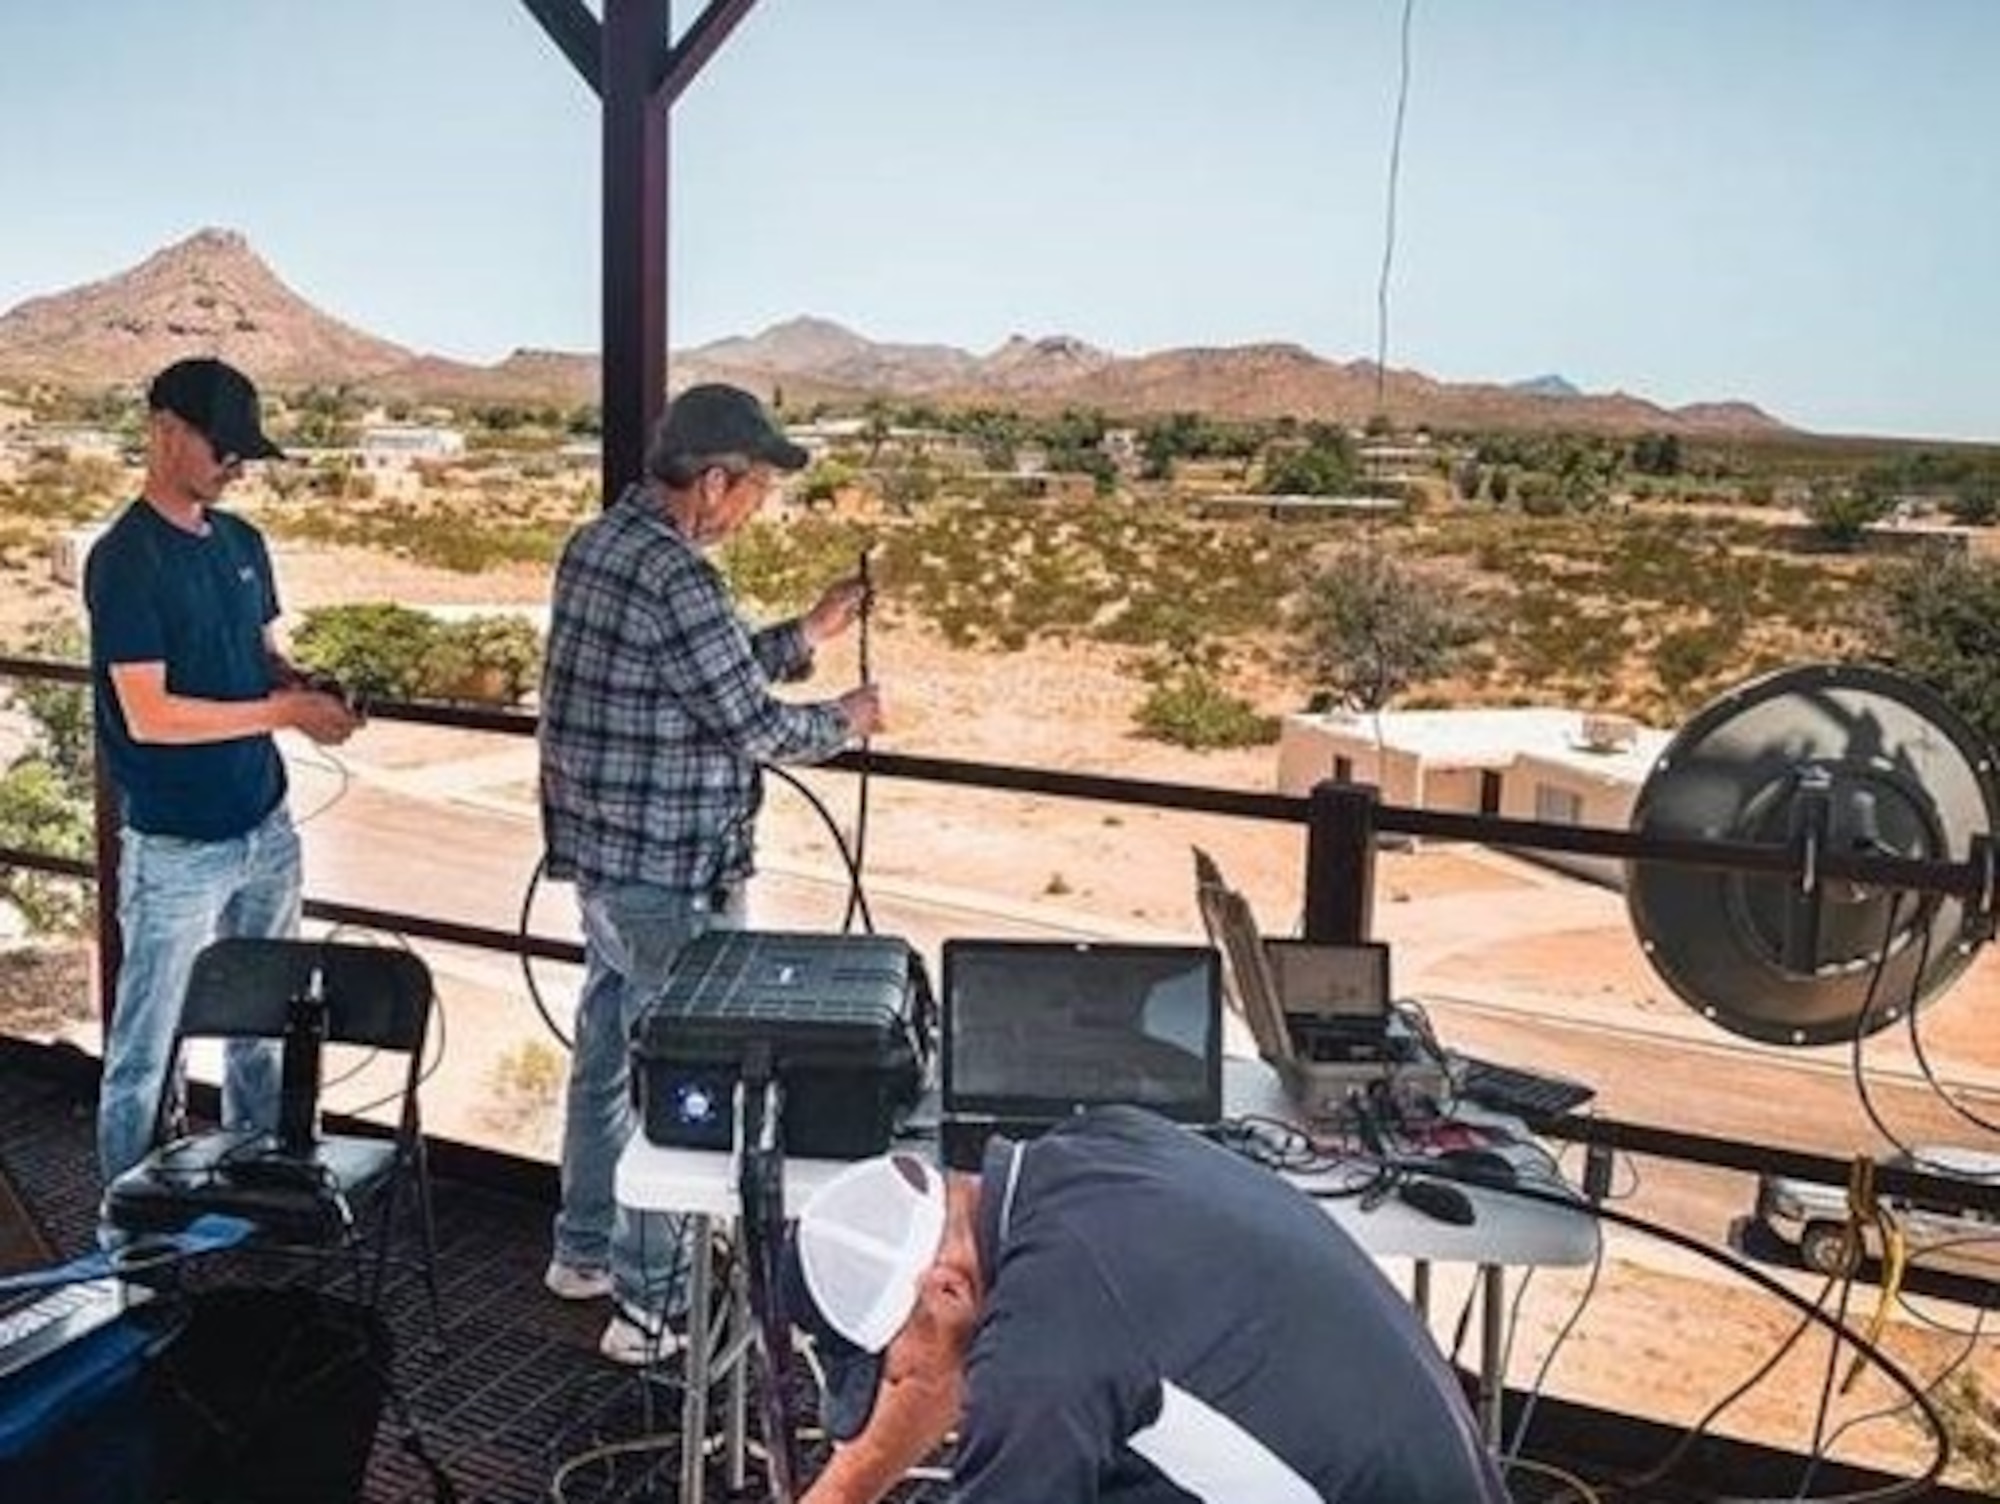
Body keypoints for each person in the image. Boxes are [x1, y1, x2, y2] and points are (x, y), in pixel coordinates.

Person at [538, 382, 884, 1364]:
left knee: (607, 1054)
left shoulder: (599, 545)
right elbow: (751, 722)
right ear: (715, 480)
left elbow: (700, 674)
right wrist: (845, 721)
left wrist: (806, 633)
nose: (753, 510)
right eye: (756, 490)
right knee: (676, 1084)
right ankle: (650, 1306)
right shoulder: (678, 577)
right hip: (669, 873)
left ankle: (584, 1248)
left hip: (606, 865)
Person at [783, 1106, 1510, 1503]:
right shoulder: (1106, 1140)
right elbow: (947, 1373)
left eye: (893, 1370)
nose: (899, 1387)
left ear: (946, 1289)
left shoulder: (1041, 1355)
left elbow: (999, 1388)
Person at [86, 357, 362, 1185]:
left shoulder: (244, 542)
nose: (238, 466)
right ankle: (127, 1231)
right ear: (165, 431)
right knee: (148, 1044)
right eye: (225, 448)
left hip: (264, 824)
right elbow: (151, 713)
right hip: (175, 843)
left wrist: (306, 690)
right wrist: (286, 716)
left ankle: (260, 1183)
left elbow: (259, 657)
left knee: (270, 1025)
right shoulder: (126, 559)